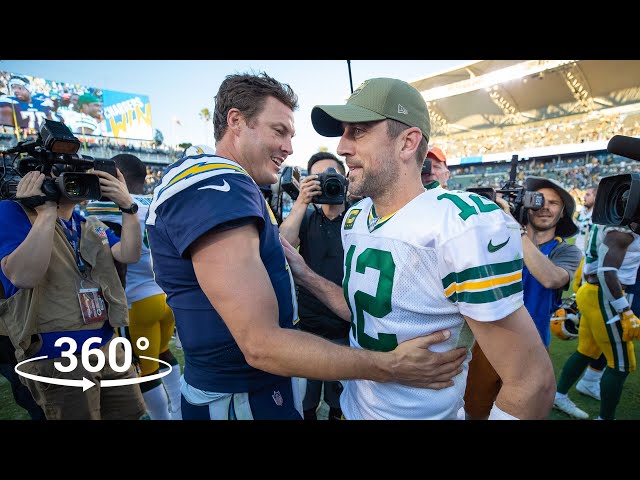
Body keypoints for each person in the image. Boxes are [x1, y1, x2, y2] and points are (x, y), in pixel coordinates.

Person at [145, 72, 467, 420]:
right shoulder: (217, 184)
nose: (288, 147)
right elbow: (260, 344)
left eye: (290, 135)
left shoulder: (233, 184)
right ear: (236, 121)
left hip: (253, 390)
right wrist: (390, 366)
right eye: (278, 131)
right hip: (240, 397)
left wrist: (299, 269)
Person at [282, 77, 555, 419]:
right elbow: (365, 313)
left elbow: (532, 381)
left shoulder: (457, 225)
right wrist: (303, 271)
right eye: (344, 132)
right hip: (356, 408)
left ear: (408, 142)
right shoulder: (356, 217)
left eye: (359, 131)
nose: (342, 147)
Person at [0, 167, 146, 420]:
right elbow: (23, 276)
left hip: (106, 343)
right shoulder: (12, 212)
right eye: (73, 175)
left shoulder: (86, 223)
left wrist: (129, 208)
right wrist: (45, 212)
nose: (86, 182)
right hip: (56, 352)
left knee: (129, 415)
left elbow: (129, 254)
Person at [464, 176, 582, 419]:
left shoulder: (566, 250)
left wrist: (514, 227)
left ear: (563, 213)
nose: (545, 207)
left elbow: (550, 278)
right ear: (525, 205)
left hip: (534, 348)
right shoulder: (498, 239)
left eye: (554, 203)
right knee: (473, 412)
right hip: (486, 345)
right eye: (538, 200)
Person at [86, 153, 182, 420]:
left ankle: (165, 417)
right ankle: (180, 410)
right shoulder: (157, 202)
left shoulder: (108, 206)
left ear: (118, 175)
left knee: (142, 370)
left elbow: (118, 262)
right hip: (165, 298)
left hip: (136, 302)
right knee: (164, 353)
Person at [278, 151, 349, 421]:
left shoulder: (359, 219)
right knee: (304, 404)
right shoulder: (306, 217)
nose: (328, 181)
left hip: (344, 330)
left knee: (340, 405)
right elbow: (281, 245)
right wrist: (301, 202)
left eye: (333, 174)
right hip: (307, 330)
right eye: (319, 177)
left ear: (345, 178)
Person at [553, 221, 640, 420]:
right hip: (606, 293)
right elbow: (607, 272)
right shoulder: (622, 229)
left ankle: (559, 394)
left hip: (592, 291)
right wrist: (625, 311)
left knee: (587, 351)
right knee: (622, 364)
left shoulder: (609, 218)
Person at [574, 185, 597, 255]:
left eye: (588, 195)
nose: (584, 197)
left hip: (587, 255)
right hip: (577, 253)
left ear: (596, 197)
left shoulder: (597, 214)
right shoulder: (582, 211)